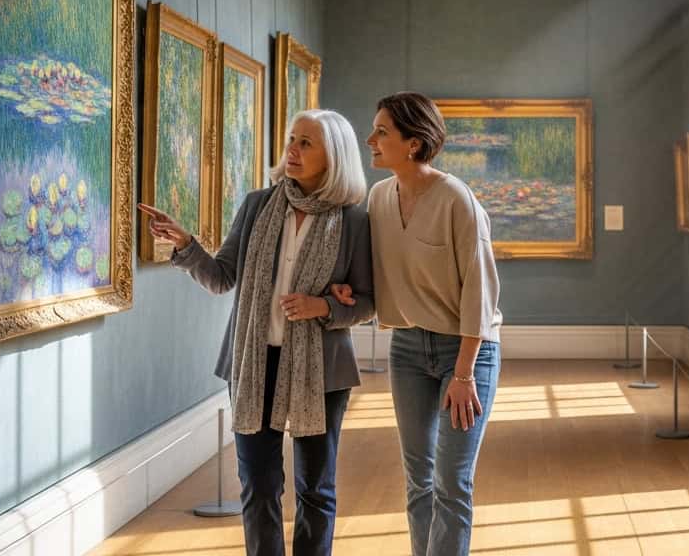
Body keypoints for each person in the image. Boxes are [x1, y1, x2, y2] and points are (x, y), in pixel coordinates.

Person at [137, 108, 374, 556]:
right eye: (292, 139)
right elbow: (222, 276)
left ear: (335, 156)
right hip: (252, 364)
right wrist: (186, 246)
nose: (293, 150)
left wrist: (321, 306)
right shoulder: (257, 206)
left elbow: (365, 303)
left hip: (321, 373)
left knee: (315, 490)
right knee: (259, 486)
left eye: (307, 143)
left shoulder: (354, 222)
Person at [358, 91, 502, 556]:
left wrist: (463, 375)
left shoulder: (456, 198)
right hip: (407, 350)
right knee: (418, 480)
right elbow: (375, 272)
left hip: (466, 353)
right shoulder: (379, 198)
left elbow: (479, 295)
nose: (370, 140)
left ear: (414, 144)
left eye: (382, 131)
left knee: (452, 482)